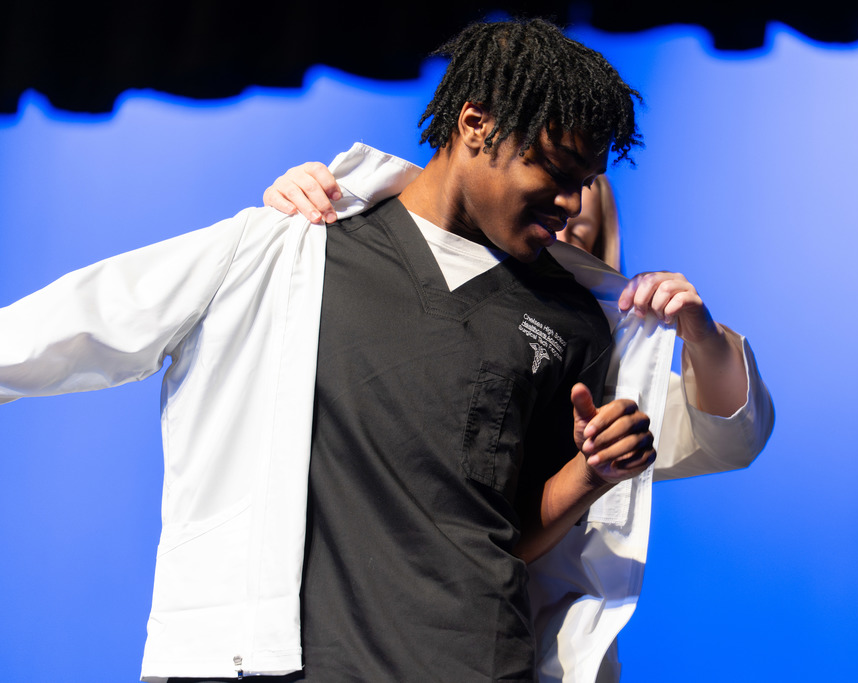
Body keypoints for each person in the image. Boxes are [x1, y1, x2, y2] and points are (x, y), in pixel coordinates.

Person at [0, 18, 694, 683]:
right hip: (283, 662)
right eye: (558, 168)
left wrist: (595, 472)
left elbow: (510, 530)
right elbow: (87, 316)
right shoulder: (294, 245)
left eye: (587, 180)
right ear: (475, 124)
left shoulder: (572, 319)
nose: (572, 202)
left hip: (474, 660)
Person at [262, 152, 774, 681]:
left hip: (511, 649)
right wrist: (307, 194)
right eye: (545, 202)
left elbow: (733, 434)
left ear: (600, 250)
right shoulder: (407, 302)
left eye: (578, 226)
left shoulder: (605, 365)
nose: (557, 224)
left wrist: (702, 336)